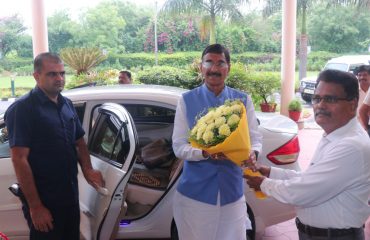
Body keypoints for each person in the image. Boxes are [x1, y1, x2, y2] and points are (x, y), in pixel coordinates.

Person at [245, 69, 370, 240]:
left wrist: (264, 184)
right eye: (317, 98)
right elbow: (310, 178)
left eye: (330, 99)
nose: (320, 105)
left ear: (352, 104)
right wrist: (271, 172)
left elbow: (303, 192)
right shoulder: (334, 135)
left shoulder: (351, 145)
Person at [5, 52, 104, 240]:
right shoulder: (23, 109)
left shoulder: (66, 104)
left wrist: (88, 169)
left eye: (62, 73)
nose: (59, 78)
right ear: (36, 76)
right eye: (52, 74)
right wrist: (35, 207)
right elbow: (19, 159)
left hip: (70, 196)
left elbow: (79, 141)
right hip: (45, 201)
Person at [172, 43, 262, 240]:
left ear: (228, 68)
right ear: (201, 67)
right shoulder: (186, 100)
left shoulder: (243, 100)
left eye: (220, 63)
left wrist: (253, 154)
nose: (214, 69)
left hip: (232, 191)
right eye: (209, 63)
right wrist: (204, 153)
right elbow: (179, 146)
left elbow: (255, 139)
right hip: (195, 195)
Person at [357, 65, 370, 135]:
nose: (362, 77)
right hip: (357, 127)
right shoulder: (353, 91)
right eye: (359, 75)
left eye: (365, 75)